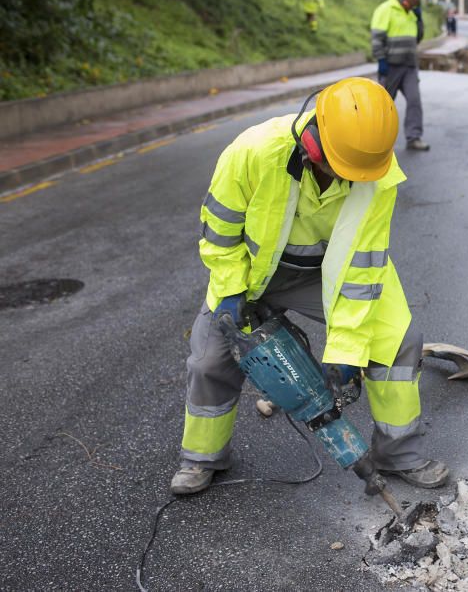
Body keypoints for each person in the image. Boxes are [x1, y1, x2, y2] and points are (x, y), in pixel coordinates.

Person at [170, 77, 449, 495]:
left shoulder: (377, 171)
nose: (350, 179)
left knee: (396, 340)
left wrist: (345, 353)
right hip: (252, 273)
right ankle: (202, 457)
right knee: (211, 359)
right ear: (314, 143)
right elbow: (219, 234)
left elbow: (362, 267)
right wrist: (230, 291)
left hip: (331, 272)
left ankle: (398, 453)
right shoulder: (252, 153)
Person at [371, 0, 430, 151]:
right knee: (384, 104)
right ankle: (374, 140)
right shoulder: (386, 9)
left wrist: (419, 21)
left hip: (409, 66)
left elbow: (417, 39)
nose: (418, 1)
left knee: (414, 101)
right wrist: (381, 60)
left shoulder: (412, 14)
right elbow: (376, 38)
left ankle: (414, 137)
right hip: (390, 66)